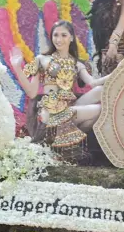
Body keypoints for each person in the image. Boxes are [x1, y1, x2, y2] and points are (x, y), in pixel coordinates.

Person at [10, 20, 111, 162]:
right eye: (55, 35)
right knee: (98, 109)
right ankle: (60, 139)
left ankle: (66, 140)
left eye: (63, 35)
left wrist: (116, 73)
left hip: (69, 108)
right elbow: (32, 93)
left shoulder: (76, 63)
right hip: (50, 112)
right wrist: (17, 67)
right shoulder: (42, 59)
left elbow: (93, 83)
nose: (59, 39)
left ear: (71, 38)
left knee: (101, 90)